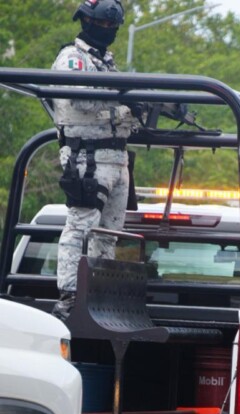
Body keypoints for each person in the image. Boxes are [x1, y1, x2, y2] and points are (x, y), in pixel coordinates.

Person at [51, 0, 141, 321]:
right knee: (81, 225)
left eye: (110, 27)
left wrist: (140, 108)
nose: (105, 31)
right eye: (99, 24)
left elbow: (115, 106)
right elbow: (81, 96)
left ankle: (98, 293)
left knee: (108, 233)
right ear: (85, 21)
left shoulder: (107, 63)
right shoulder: (73, 59)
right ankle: (71, 296)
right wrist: (125, 99)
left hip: (117, 158)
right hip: (87, 155)